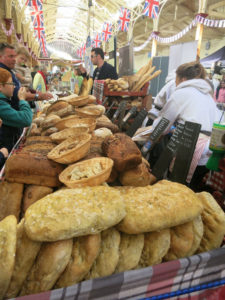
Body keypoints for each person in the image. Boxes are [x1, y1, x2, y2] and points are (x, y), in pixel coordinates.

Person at [151, 61, 220, 191]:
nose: (175, 83)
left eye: (176, 79)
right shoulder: (208, 96)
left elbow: (162, 125)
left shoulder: (181, 93)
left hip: (189, 150)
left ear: (182, 78)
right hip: (208, 155)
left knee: (178, 192)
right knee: (192, 192)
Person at [0, 43, 53, 112]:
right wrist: (37, 96)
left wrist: (35, 92)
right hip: (11, 113)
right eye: (10, 56)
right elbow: (17, 93)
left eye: (14, 56)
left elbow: (22, 88)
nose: (14, 59)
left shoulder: (11, 70)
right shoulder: (2, 72)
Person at [0, 68, 32, 153]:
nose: (14, 86)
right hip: (4, 152)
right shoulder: (0, 104)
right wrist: (22, 99)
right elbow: (26, 119)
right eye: (11, 83)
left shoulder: (4, 101)